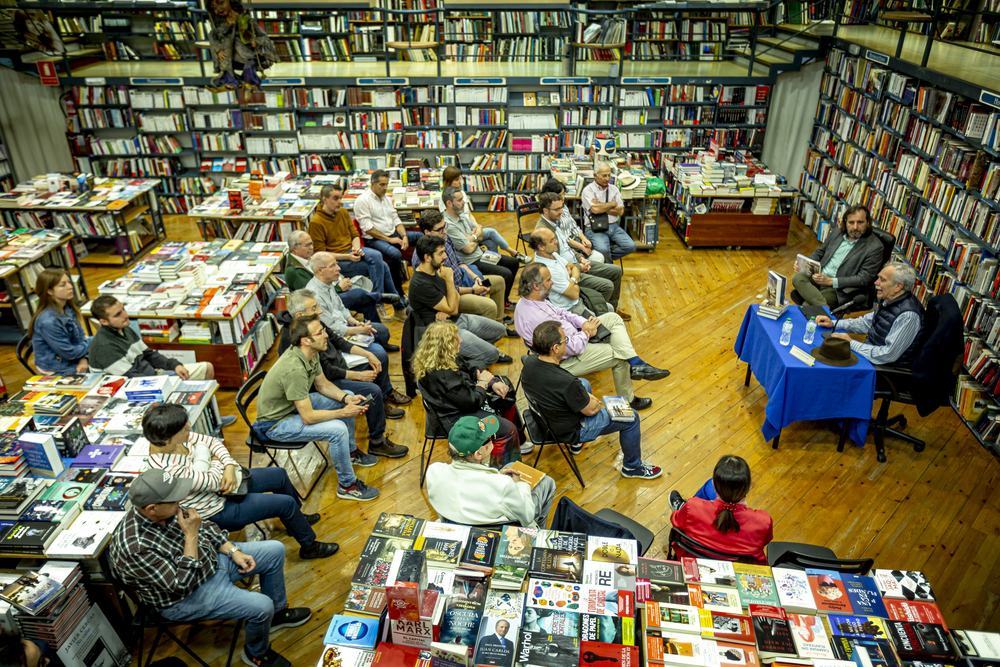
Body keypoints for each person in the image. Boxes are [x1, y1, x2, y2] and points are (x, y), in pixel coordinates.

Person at [109, 469, 309, 667]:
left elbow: (206, 528)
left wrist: (233, 551)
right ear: (151, 508)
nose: (181, 500)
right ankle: (256, 653)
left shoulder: (167, 507)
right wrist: (191, 535)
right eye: (174, 499)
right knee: (262, 606)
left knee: (275, 550)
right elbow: (181, 584)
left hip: (210, 563)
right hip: (184, 597)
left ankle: (276, 615)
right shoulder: (134, 547)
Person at [143, 403, 339, 559]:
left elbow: (212, 442)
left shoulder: (176, 437)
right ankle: (309, 546)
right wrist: (208, 457)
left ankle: (296, 521)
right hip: (218, 508)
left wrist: (227, 464)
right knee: (285, 504)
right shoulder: (167, 471)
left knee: (279, 474)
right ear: (166, 440)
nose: (190, 428)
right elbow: (211, 480)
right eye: (183, 429)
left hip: (229, 481)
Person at [252, 315, 379, 501]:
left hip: (291, 408)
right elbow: (308, 417)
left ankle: (350, 452)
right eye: (320, 332)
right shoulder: (294, 369)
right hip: (275, 424)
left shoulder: (311, 353)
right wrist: (343, 412)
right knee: (338, 429)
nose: (326, 335)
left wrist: (347, 398)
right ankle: (347, 485)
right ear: (306, 340)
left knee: (346, 399)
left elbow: (322, 385)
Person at [521, 320, 663, 480]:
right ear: (555, 348)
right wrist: (592, 401)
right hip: (569, 429)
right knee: (631, 417)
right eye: (564, 340)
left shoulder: (530, 362)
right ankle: (632, 466)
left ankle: (576, 446)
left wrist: (583, 395)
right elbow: (592, 409)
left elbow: (569, 388)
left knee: (584, 383)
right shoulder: (566, 381)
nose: (567, 342)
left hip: (544, 418)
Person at [514, 264, 667, 409]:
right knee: (621, 356)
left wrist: (584, 323)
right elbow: (569, 347)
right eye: (548, 280)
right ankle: (629, 398)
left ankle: (636, 362)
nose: (552, 282)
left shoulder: (532, 300)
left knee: (613, 318)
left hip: (575, 336)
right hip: (566, 357)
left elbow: (562, 312)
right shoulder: (535, 318)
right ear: (536, 285)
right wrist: (586, 333)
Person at [277, 289, 411, 454]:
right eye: (314, 308)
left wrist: (368, 354)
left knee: (379, 358)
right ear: (299, 315)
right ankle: (377, 441)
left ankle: (382, 403)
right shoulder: (296, 338)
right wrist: (358, 376)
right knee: (372, 390)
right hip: (325, 381)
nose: (320, 311)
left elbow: (337, 340)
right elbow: (326, 374)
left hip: (337, 369)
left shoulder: (312, 322)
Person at [413, 321, 528, 459]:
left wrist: (492, 383)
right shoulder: (443, 375)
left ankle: (517, 442)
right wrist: (482, 383)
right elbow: (472, 402)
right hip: (455, 418)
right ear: (445, 345)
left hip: (459, 404)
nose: (460, 340)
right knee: (508, 430)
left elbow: (470, 369)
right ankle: (503, 469)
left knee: (505, 398)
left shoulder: (442, 357)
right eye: (456, 338)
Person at [426, 415, 553, 528]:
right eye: (491, 438)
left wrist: (495, 475)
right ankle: (538, 536)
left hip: (457, 529)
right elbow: (527, 516)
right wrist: (520, 485)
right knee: (547, 483)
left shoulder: (433, 472)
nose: (494, 439)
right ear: (478, 454)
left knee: (509, 465)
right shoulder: (503, 485)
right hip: (500, 534)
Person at [408, 234, 510, 367]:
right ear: (427, 257)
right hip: (444, 333)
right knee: (492, 355)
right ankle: (464, 373)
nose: (445, 256)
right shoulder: (421, 283)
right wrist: (449, 281)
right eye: (441, 253)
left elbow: (452, 300)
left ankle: (471, 356)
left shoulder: (436, 271)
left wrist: (448, 308)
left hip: (456, 319)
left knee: (500, 330)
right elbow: (453, 307)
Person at [413, 210, 512, 331]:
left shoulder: (445, 239)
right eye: (440, 229)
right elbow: (444, 290)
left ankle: (499, 326)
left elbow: (459, 262)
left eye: (445, 226)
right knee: (489, 306)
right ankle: (487, 341)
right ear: (427, 232)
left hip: (464, 280)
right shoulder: (426, 257)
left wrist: (475, 277)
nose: (444, 231)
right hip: (455, 294)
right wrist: (472, 290)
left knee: (499, 282)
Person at [88, 295, 222, 384]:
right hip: (135, 386)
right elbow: (132, 378)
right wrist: (164, 380)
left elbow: (149, 354)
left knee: (207, 368)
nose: (125, 315)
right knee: (183, 385)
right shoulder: (104, 347)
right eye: (118, 314)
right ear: (104, 321)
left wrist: (174, 365)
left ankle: (213, 418)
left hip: (149, 375)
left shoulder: (123, 327)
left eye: (123, 309)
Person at [536, 190, 628, 320]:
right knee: (607, 286)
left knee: (616, 270)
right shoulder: (544, 233)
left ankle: (612, 309)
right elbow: (558, 263)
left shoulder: (555, 222)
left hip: (576, 263)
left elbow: (565, 246)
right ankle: (598, 315)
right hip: (571, 271)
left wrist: (581, 258)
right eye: (557, 209)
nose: (561, 212)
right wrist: (578, 267)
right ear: (545, 210)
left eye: (561, 208)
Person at [668, 455, 773, 564]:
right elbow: (764, 541)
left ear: (713, 484)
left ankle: (681, 507)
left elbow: (676, 521)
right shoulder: (763, 522)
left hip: (693, 565)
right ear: (748, 489)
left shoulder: (692, 507)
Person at [814, 262, 924, 365]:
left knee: (826, 360)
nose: (876, 282)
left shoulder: (908, 316)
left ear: (898, 287)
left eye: (882, 279)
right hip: (869, 354)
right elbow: (866, 323)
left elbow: (887, 355)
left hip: (881, 367)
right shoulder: (889, 301)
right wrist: (834, 324)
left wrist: (851, 343)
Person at [308, 181, 398, 301]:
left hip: (351, 251)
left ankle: (384, 301)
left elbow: (355, 235)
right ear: (324, 199)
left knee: (377, 257)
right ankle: (387, 302)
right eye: (335, 198)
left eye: (340, 198)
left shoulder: (343, 212)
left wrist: (356, 249)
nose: (339, 202)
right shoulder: (316, 222)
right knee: (382, 266)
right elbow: (321, 254)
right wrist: (348, 257)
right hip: (337, 261)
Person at [353, 169, 422, 321]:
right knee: (395, 254)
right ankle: (399, 290)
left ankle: (422, 276)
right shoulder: (362, 200)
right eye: (382, 185)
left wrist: (403, 236)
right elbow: (367, 228)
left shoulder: (386, 198)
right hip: (375, 240)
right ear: (373, 183)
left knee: (421, 237)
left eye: (387, 185)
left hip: (394, 235)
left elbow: (396, 219)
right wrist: (389, 240)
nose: (385, 188)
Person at [442, 186, 521, 308]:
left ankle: (504, 301)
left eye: (463, 199)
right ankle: (498, 305)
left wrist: (473, 237)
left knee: (513, 262)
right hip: (472, 261)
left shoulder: (461, 214)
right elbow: (468, 249)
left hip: (481, 255)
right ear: (449, 203)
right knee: (506, 274)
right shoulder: (449, 225)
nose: (464, 202)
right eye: (460, 200)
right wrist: (476, 237)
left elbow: (480, 229)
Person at [792, 204, 884, 308]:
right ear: (845, 221)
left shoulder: (875, 247)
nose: (855, 227)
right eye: (851, 222)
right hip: (818, 276)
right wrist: (804, 262)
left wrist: (831, 281)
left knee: (807, 306)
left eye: (860, 222)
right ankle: (823, 308)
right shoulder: (837, 232)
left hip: (837, 289)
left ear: (868, 223)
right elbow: (821, 252)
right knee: (797, 277)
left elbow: (863, 278)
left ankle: (819, 308)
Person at [284, 230, 396, 316]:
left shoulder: (305, 258)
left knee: (367, 303)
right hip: (323, 305)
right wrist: (339, 288)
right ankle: (379, 297)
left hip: (332, 293)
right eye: (307, 245)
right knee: (358, 293)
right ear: (295, 248)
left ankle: (377, 338)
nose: (312, 247)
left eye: (311, 243)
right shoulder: (294, 271)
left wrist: (337, 280)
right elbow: (314, 297)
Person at [306, 251, 396, 351]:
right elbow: (333, 329)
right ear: (320, 270)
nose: (338, 268)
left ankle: (377, 343)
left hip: (345, 326)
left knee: (383, 332)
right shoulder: (315, 296)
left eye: (336, 264)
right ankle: (379, 298)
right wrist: (358, 330)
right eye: (333, 266)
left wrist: (356, 323)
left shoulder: (327, 282)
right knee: (379, 352)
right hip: (337, 338)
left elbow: (341, 307)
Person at [439, 165, 528, 262]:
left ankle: (494, 263)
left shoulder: (462, 193)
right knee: (491, 232)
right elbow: (449, 221)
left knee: (491, 243)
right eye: (456, 180)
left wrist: (476, 227)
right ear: (449, 181)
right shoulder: (445, 199)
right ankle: (513, 253)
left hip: (470, 228)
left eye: (460, 178)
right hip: (462, 233)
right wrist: (476, 235)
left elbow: (469, 214)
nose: (460, 182)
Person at [529, 225, 610, 317]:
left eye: (554, 238)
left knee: (609, 308)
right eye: (552, 240)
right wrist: (573, 278)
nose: (556, 241)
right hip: (570, 309)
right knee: (608, 317)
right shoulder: (546, 269)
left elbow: (574, 268)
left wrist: (571, 280)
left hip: (577, 300)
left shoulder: (553, 254)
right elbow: (574, 294)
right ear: (541, 247)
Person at [27, 268, 91, 375]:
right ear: (49, 291)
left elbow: (79, 336)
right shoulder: (48, 321)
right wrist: (94, 340)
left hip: (72, 358)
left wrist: (84, 358)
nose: (70, 287)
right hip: (56, 367)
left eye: (69, 282)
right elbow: (69, 353)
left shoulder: (67, 308)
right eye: (63, 285)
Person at [580, 162, 637, 262]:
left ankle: (604, 260)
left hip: (613, 226)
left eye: (609, 175)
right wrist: (612, 203)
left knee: (631, 246)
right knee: (603, 249)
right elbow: (595, 210)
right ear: (595, 175)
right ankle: (609, 269)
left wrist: (600, 205)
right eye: (604, 175)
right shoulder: (587, 190)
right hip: (594, 228)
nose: (607, 179)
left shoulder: (614, 189)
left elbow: (620, 211)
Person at [540, 178, 606, 264]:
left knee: (599, 257)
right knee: (598, 258)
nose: (563, 197)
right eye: (560, 195)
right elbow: (563, 239)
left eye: (563, 194)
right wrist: (582, 247)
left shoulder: (564, 207)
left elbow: (574, 226)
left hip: (575, 241)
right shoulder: (552, 215)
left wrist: (584, 239)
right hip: (569, 246)